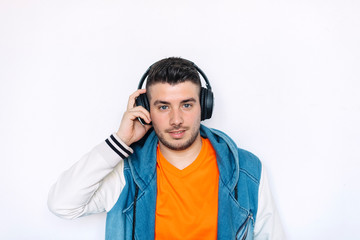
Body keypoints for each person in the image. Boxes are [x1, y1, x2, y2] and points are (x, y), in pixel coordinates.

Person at [48, 57, 284, 240]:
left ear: (204, 106)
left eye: (187, 104)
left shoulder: (246, 171)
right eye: (163, 107)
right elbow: (62, 205)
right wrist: (121, 141)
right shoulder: (127, 173)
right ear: (145, 110)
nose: (176, 119)